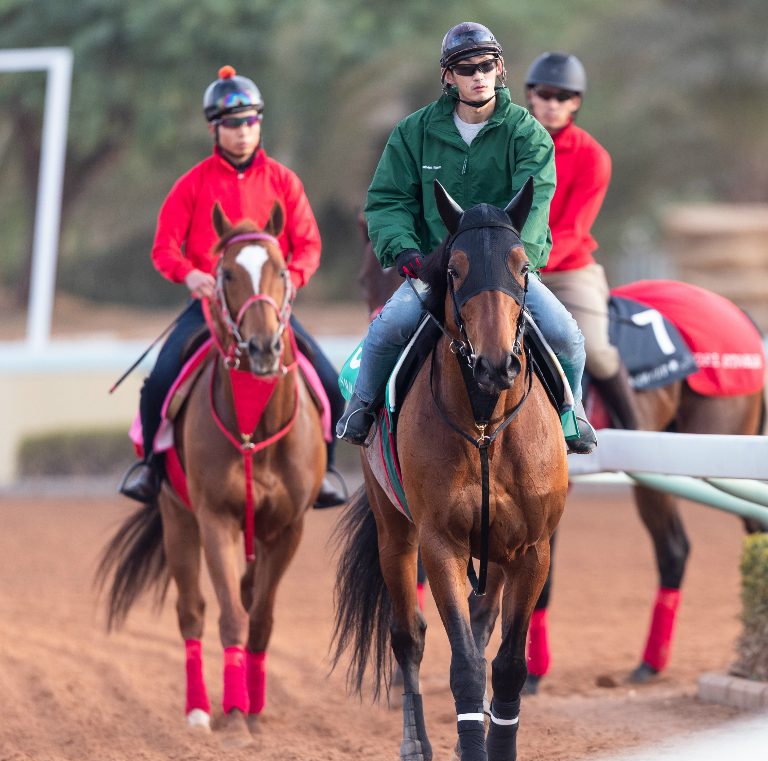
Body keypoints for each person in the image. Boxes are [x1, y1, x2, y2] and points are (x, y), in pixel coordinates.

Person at [336, 22, 598, 454]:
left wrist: (517, 261)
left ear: (500, 70)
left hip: (505, 275)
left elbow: (535, 206)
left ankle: (573, 415)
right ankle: (360, 409)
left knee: (566, 335)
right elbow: (387, 200)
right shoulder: (412, 133)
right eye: (466, 67)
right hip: (438, 270)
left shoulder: (527, 134)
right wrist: (402, 248)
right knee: (388, 329)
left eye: (486, 65)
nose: (478, 75)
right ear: (448, 76)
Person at [119, 65, 348, 508]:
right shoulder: (192, 184)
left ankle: (326, 473)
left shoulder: (284, 181)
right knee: (159, 381)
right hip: (210, 306)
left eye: (250, 121)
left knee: (330, 383)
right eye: (232, 124)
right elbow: (164, 247)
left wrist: (291, 280)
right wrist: (190, 274)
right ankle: (150, 468)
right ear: (214, 128)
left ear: (259, 123)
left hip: (269, 307)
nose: (243, 132)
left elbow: (308, 245)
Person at [524, 52, 641, 431]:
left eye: (564, 97)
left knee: (597, 350)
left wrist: (528, 263)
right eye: (546, 94)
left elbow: (573, 230)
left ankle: (635, 430)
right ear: (531, 95)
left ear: (576, 102)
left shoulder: (594, 157)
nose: (554, 104)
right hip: (508, 264)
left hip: (567, 270)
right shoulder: (508, 145)